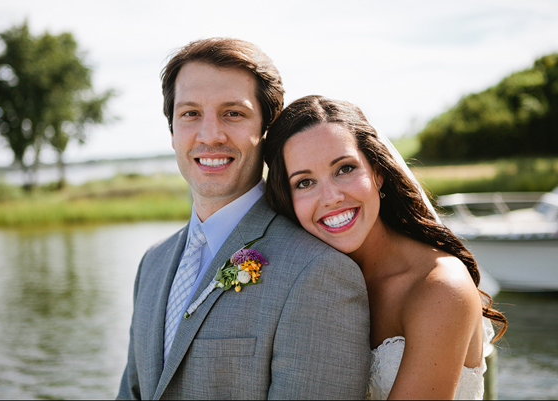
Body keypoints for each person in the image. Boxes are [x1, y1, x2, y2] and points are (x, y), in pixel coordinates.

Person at [117, 40, 371, 400]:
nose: (210, 135)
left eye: (233, 113)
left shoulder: (319, 273)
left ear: (268, 132)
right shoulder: (153, 264)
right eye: (190, 114)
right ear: (172, 133)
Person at [264, 95, 508, 400]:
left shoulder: (439, 286)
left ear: (377, 172)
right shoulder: (309, 282)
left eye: (344, 169)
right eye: (304, 183)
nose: (330, 197)